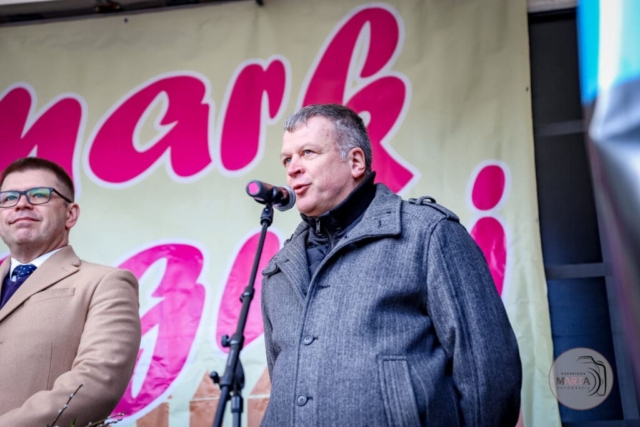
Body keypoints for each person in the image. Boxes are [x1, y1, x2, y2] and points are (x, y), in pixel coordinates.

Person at [260, 104, 522, 426]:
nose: (293, 169)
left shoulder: (428, 233)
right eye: (287, 159)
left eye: (308, 153)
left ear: (355, 161)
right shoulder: (279, 270)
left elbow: (489, 374)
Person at [0, 158, 141, 426]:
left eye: (38, 195)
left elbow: (95, 383)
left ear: (70, 214)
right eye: (8, 198)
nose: (21, 204)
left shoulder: (105, 283)